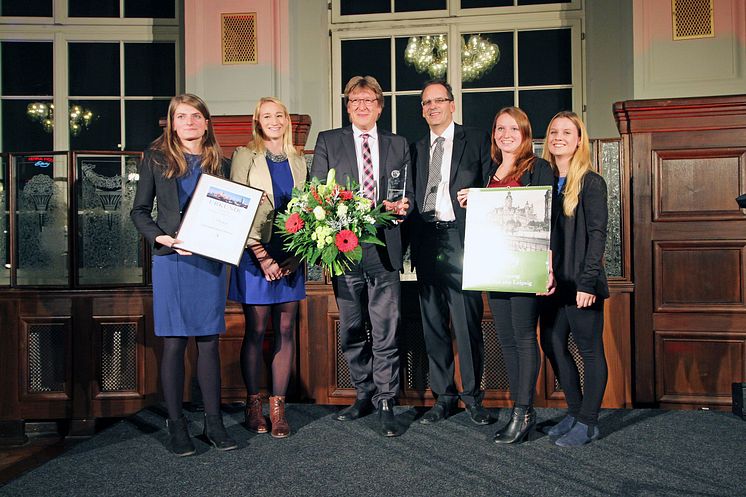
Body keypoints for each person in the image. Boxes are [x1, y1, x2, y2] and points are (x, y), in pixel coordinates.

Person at [131, 93, 237, 456]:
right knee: (175, 343)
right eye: (182, 116)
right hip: (172, 261)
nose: (189, 122)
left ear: (206, 123)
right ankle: (176, 426)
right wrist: (160, 236)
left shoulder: (221, 163)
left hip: (209, 263)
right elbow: (140, 211)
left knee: (209, 342)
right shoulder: (156, 159)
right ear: (172, 123)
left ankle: (214, 423)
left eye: (196, 116)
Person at [311, 75, 412, 437]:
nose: (362, 106)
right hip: (345, 249)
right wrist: (354, 207)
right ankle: (363, 392)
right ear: (347, 106)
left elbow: (409, 193)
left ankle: (386, 399)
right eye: (354, 101)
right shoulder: (328, 141)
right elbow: (317, 193)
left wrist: (403, 206)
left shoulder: (398, 144)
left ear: (380, 106)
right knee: (352, 330)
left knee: (386, 329)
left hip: (384, 249)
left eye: (369, 100)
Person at [456, 106, 555, 443]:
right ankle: (519, 409)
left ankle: (524, 410)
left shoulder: (538, 167)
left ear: (525, 134)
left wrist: (548, 264)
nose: (506, 134)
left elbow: (547, 219)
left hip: (526, 265)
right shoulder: (493, 171)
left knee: (525, 337)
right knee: (508, 340)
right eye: (500, 128)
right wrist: (476, 199)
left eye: (514, 128)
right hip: (496, 267)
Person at [408, 79, 492, 426]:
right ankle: (443, 396)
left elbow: (492, 186)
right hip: (427, 239)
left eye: (438, 100)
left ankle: (472, 396)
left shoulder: (476, 140)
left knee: (466, 321)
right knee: (433, 324)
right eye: (426, 102)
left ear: (452, 105)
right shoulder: (413, 149)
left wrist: (479, 196)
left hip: (463, 239)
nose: (432, 107)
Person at [228, 97, 307, 439]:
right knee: (257, 330)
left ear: (287, 120)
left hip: (291, 255)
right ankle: (253, 406)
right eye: (266, 116)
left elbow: (311, 210)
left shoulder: (299, 158)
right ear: (257, 122)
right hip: (254, 254)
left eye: (279, 115)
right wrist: (261, 256)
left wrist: (298, 257)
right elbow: (235, 205)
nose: (274, 121)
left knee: (286, 330)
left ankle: (278, 409)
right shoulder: (245, 155)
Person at [539, 111, 609, 447]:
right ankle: (574, 410)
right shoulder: (542, 179)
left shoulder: (591, 181)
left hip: (581, 282)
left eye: (567, 132)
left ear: (579, 139)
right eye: (554, 132)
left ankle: (589, 422)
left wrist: (588, 282)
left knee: (590, 351)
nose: (559, 138)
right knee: (552, 345)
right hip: (551, 282)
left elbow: (598, 235)